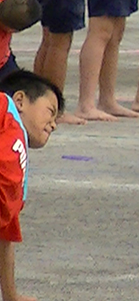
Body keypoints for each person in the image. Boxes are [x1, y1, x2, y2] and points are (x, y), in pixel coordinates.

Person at [0, 70, 64, 301]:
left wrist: (11, 295)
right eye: (51, 111)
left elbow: (6, 234)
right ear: (20, 101)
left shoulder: (20, 176)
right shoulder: (5, 108)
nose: (53, 125)